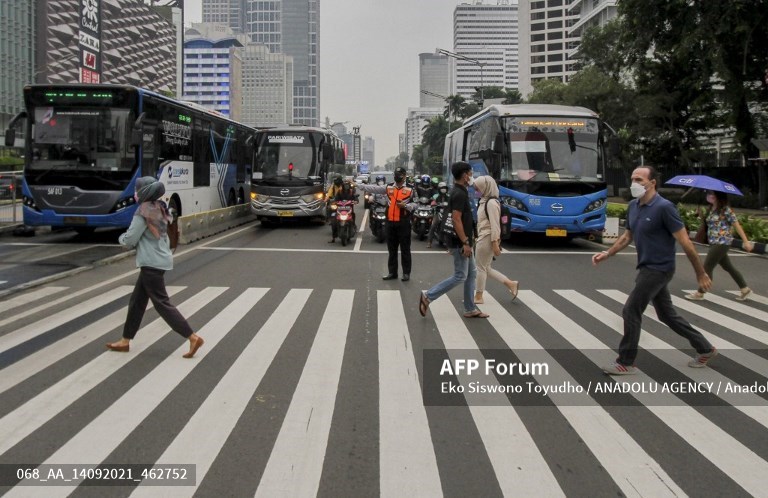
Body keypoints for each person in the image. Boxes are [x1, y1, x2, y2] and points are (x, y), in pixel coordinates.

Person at [592, 166, 716, 375]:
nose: (634, 183)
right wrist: (608, 253)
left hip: (660, 269)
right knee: (667, 315)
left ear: (652, 183)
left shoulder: (664, 208)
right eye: (633, 179)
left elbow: (686, 243)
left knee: (631, 310)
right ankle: (705, 348)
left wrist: (700, 273)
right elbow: (627, 236)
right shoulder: (633, 206)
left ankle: (626, 362)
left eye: (639, 180)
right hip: (646, 267)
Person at [107, 176, 204, 358]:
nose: (135, 194)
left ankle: (192, 337)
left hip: (151, 263)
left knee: (162, 303)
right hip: (159, 260)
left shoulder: (142, 212)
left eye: (137, 190)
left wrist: (120, 238)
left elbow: (130, 239)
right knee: (137, 302)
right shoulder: (160, 207)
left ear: (143, 192)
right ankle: (125, 340)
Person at [419, 162, 488, 319]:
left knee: (471, 274)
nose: (472, 176)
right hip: (460, 241)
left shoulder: (460, 191)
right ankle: (428, 296)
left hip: (463, 240)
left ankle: (470, 308)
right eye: (470, 173)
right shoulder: (459, 194)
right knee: (460, 275)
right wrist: (465, 242)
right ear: (464, 175)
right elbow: (456, 219)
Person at [685, 190, 753, 301]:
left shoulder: (726, 210)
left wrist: (746, 241)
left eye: (711, 194)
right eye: (708, 194)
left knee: (707, 266)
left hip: (722, 242)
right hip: (713, 242)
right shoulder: (711, 209)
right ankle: (745, 289)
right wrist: (700, 215)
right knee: (728, 267)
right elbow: (710, 224)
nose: (709, 196)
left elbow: (737, 225)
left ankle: (700, 292)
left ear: (718, 196)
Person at [357, 166, 416, 281]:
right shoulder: (388, 187)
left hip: (403, 223)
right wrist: (358, 185)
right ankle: (392, 273)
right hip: (390, 223)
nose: (397, 176)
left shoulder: (411, 189)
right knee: (392, 250)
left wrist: (406, 206)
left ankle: (406, 273)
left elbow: (416, 204)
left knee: (405, 249)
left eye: (400, 175)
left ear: (405, 176)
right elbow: (373, 188)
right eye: (396, 174)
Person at [473, 175, 519, 304]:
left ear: (485, 187)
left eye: (478, 188)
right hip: (484, 236)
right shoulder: (484, 201)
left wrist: (495, 243)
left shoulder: (491, 203)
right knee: (486, 268)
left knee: (480, 268)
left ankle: (479, 296)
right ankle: (510, 284)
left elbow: (495, 225)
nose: (476, 191)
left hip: (487, 237)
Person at [426, 181, 449, 249]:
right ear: (439, 189)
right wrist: (433, 204)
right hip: (438, 213)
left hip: (446, 214)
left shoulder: (449, 196)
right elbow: (432, 202)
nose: (443, 189)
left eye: (444, 188)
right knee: (433, 226)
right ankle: (429, 242)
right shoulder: (435, 196)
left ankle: (449, 244)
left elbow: (452, 203)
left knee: (450, 226)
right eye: (442, 188)